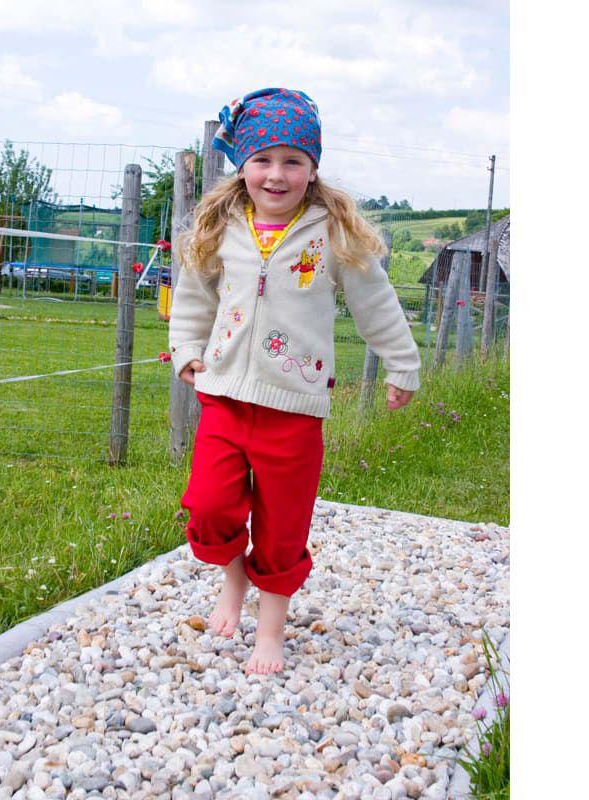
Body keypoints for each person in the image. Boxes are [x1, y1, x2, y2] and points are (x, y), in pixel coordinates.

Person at [169, 88, 420, 675]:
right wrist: (186, 350)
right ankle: (234, 580)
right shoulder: (221, 227)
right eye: (262, 159)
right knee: (209, 506)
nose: (276, 174)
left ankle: (271, 630)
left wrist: (402, 363)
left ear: (313, 167)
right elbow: (194, 295)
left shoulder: (332, 233)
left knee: (282, 527)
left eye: (293, 161)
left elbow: (376, 303)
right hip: (225, 397)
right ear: (242, 164)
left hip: (295, 408)